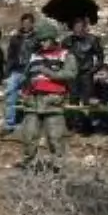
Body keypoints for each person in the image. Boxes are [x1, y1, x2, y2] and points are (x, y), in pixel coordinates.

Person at [21, 21, 77, 171]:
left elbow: (71, 74)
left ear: (53, 39)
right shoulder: (35, 56)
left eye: (45, 40)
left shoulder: (65, 55)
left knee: (55, 138)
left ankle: (58, 170)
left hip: (53, 103)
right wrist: (25, 92)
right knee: (29, 136)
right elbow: (27, 76)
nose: (42, 43)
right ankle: (28, 166)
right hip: (33, 102)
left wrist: (49, 73)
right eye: (40, 41)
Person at [3, 13, 36, 134]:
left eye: (28, 23)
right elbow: (10, 56)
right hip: (16, 70)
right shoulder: (15, 38)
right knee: (10, 96)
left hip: (31, 71)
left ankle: (30, 124)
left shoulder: (37, 38)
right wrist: (7, 73)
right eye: (24, 22)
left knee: (30, 98)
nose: (26, 25)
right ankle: (8, 125)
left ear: (32, 23)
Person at [64, 17, 104, 103]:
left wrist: (93, 69)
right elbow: (61, 56)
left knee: (87, 99)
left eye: (80, 27)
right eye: (76, 27)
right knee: (73, 99)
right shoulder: (67, 41)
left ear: (84, 28)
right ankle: (73, 115)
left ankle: (87, 115)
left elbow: (100, 57)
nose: (77, 30)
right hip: (73, 74)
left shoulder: (92, 39)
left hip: (87, 73)